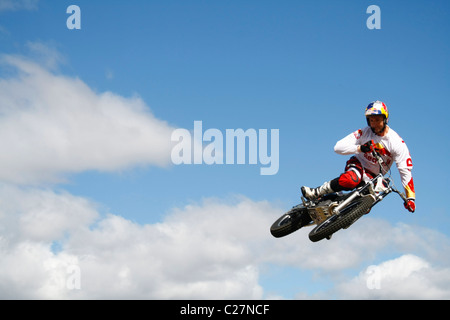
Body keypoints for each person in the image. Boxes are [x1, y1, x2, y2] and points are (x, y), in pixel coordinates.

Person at [301, 101, 416, 213]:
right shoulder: (364, 132)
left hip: (374, 177)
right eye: (371, 120)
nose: (374, 124)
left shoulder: (396, 143)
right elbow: (337, 147)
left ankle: (337, 216)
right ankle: (316, 192)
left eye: (377, 120)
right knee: (350, 180)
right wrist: (359, 148)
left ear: (385, 119)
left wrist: (410, 198)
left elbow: (405, 170)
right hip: (358, 165)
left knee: (366, 206)